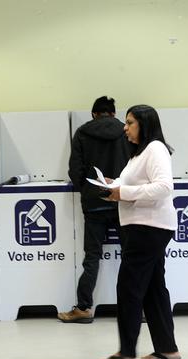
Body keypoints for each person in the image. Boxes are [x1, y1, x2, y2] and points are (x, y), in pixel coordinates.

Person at [101, 105, 180, 359]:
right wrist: (115, 185)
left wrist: (124, 192)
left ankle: (126, 352)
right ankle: (167, 349)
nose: (124, 128)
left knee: (129, 287)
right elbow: (137, 185)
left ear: (144, 124)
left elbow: (163, 187)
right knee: (153, 289)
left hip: (149, 227)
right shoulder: (139, 154)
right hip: (145, 225)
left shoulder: (155, 148)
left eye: (130, 122)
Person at [59, 96, 131, 323]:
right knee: (130, 257)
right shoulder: (126, 131)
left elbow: (75, 170)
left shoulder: (82, 132)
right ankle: (136, 309)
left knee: (92, 257)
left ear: (93, 114)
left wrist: (88, 191)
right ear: (113, 113)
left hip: (94, 204)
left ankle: (83, 308)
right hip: (122, 201)